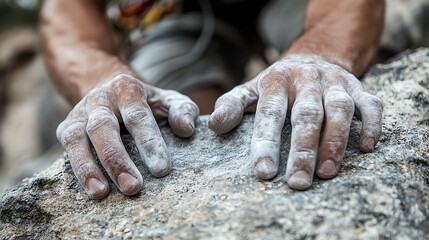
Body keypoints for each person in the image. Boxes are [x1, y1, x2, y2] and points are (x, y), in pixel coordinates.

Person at [39, 0, 384, 199]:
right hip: (180, 11)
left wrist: (321, 56)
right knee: (167, 125)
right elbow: (68, 11)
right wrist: (103, 81)